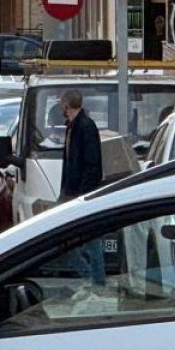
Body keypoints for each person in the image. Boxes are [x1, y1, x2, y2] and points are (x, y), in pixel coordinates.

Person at [59, 89, 107, 285]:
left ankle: (95, 280)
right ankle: (94, 279)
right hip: (72, 191)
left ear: (66, 106)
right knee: (72, 241)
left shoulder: (85, 127)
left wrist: (83, 194)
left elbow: (91, 162)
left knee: (88, 240)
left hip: (81, 193)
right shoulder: (73, 127)